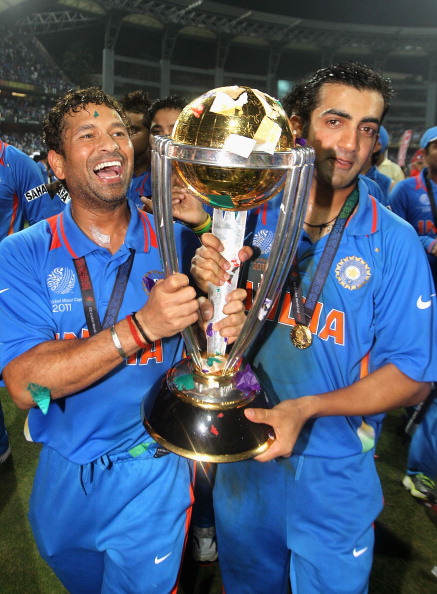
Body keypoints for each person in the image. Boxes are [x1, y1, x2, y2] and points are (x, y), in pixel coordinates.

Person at [191, 62, 437, 594]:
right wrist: (209, 292)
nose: (350, 143)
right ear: (298, 126)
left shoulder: (392, 241)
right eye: (336, 121)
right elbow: (218, 330)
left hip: (333, 469)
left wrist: (307, 408)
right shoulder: (248, 210)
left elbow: (414, 376)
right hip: (245, 457)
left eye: (367, 128)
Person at [0, 87, 247, 593]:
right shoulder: (22, 253)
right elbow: (28, 387)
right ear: (58, 164)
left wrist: (219, 319)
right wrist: (142, 327)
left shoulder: (177, 241)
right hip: (65, 469)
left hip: (151, 470)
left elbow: (205, 344)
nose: (110, 143)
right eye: (87, 135)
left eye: (118, 131)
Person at [0, 137, 68, 464]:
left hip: (8, 283)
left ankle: (52, 413)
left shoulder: (18, 164)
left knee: (27, 367)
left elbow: (46, 221)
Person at [389, 125, 437, 504]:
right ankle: (420, 468)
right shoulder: (405, 189)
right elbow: (398, 234)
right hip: (418, 288)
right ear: (424, 151)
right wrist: (430, 243)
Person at [119, 90, 152, 208]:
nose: (124, 136)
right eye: (121, 130)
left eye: (132, 130)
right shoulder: (106, 174)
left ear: (150, 133)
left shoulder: (166, 179)